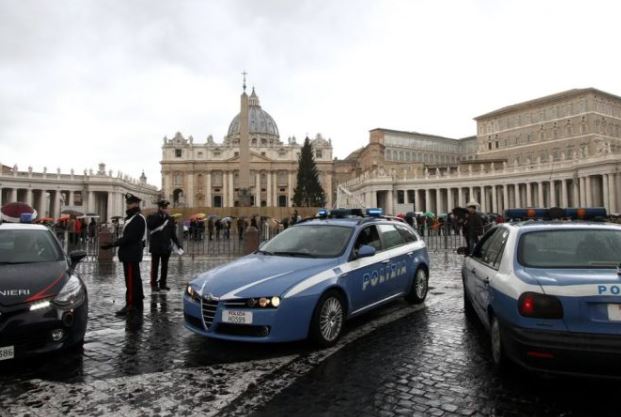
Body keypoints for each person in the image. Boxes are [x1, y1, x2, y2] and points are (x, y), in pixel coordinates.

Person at [100, 193, 147, 316]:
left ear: (136, 204)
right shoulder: (132, 218)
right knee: (134, 279)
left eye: (130, 203)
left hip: (131, 254)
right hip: (130, 254)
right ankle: (138, 300)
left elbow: (129, 238)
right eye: (128, 203)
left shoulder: (138, 219)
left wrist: (112, 244)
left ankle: (131, 304)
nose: (128, 205)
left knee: (131, 280)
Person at [147, 199, 182, 292]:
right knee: (155, 266)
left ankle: (163, 283)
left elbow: (172, 234)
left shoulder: (170, 219)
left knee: (165, 266)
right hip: (156, 246)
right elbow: (150, 226)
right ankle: (153, 284)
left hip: (166, 246)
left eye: (167, 208)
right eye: (165, 208)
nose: (167, 209)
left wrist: (178, 244)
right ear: (160, 208)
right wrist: (160, 216)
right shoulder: (153, 217)